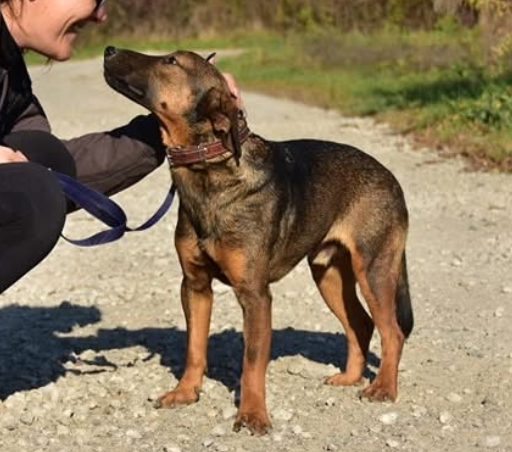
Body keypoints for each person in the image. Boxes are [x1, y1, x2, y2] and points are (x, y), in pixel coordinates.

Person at [0, 0, 240, 294]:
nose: (101, 15)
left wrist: (182, 120)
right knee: (35, 190)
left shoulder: (10, 74)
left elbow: (59, 172)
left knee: (44, 158)